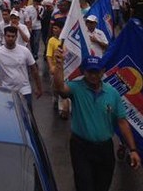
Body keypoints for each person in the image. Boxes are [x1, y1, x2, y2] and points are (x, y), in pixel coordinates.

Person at [53, 54, 141, 191]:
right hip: (81, 148)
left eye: (96, 72)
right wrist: (59, 67)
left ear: (103, 71)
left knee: (102, 185)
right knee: (84, 185)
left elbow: (122, 122)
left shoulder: (112, 93)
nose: (93, 76)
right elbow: (60, 88)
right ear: (83, 72)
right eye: (90, 72)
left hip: (104, 149)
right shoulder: (76, 88)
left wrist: (133, 149)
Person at [0, 26, 42, 110]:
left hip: (24, 90)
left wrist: (39, 88)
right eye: (8, 36)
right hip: (7, 91)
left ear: (16, 37)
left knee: (28, 116)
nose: (10, 38)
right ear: (4, 36)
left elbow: (34, 69)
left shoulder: (24, 51)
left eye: (13, 36)